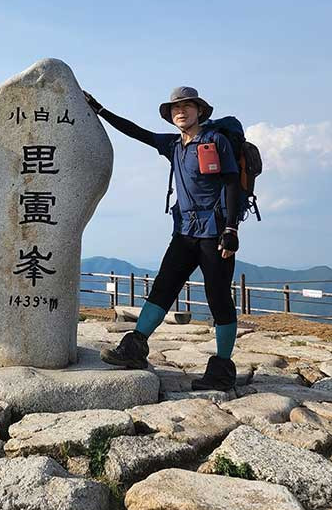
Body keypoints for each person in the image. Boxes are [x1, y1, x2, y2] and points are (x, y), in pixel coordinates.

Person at [84, 86, 241, 391]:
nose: (180, 111)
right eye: (175, 109)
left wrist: (231, 230)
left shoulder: (216, 141)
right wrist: (100, 110)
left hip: (215, 233)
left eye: (187, 106)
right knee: (163, 288)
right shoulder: (173, 145)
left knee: (219, 298)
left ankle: (222, 370)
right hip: (183, 232)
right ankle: (135, 347)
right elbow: (136, 132)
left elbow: (233, 184)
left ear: (200, 111)